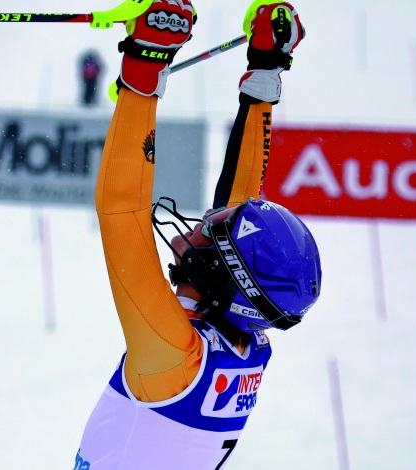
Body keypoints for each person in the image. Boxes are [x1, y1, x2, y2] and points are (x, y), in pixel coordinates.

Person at [74, 1, 319, 468]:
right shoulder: (241, 341)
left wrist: (144, 73)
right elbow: (242, 199)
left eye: (215, 232)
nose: (204, 222)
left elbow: (122, 212)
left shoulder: (173, 354)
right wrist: (264, 75)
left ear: (223, 272)